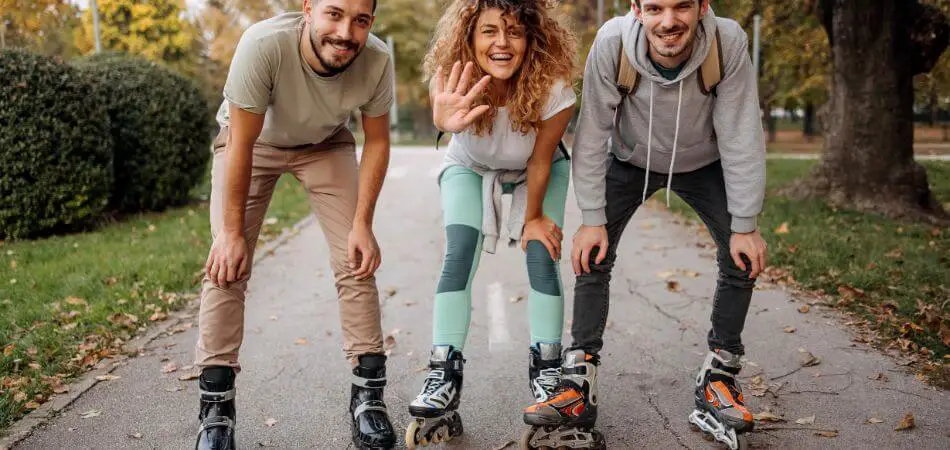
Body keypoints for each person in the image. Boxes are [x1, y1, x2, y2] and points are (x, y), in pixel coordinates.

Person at [526, 0, 767, 448]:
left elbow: (740, 130)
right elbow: (594, 131)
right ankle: (579, 379)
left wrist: (746, 223)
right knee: (591, 254)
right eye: (654, 7)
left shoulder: (727, 41)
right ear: (636, 8)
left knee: (742, 256)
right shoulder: (613, 43)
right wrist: (591, 219)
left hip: (705, 161)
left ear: (702, 6)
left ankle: (720, 374)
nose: (668, 21)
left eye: (681, 7)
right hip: (629, 159)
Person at [193, 1, 397, 449]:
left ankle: (369, 398)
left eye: (360, 20)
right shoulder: (263, 45)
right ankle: (215, 412)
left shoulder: (377, 59)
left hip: (325, 145)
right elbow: (241, 145)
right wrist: (230, 234)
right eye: (334, 14)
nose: (346, 32)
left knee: (355, 258)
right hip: (255, 143)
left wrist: (363, 223)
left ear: (371, 23)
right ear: (308, 8)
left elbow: (378, 142)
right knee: (227, 265)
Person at [403, 0, 578, 447]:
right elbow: (444, 118)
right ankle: (443, 374)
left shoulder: (553, 87)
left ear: (532, 38)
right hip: (471, 166)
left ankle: (549, 374)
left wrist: (534, 217)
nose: (502, 43)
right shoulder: (453, 75)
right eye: (489, 32)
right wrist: (442, 120)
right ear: (469, 37)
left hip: (539, 171)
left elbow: (541, 160)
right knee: (459, 253)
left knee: (543, 255)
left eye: (515, 32)